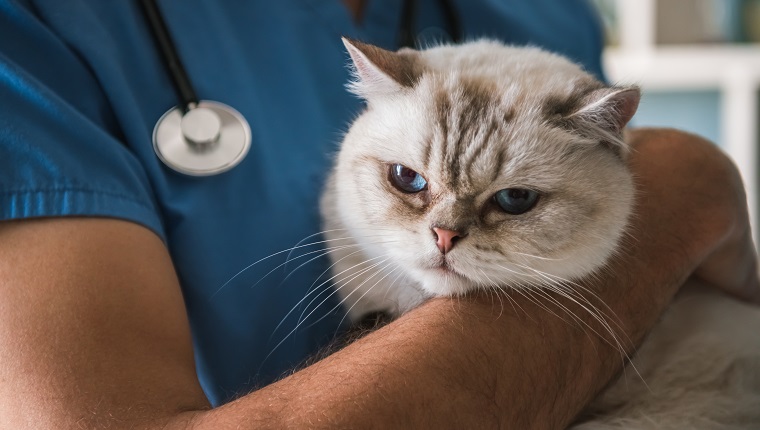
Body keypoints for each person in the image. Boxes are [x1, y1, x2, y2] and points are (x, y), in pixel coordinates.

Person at [0, 0, 757, 428]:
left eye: (511, 201)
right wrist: (680, 198)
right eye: (407, 183)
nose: (444, 233)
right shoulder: (34, 26)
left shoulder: (546, 15)